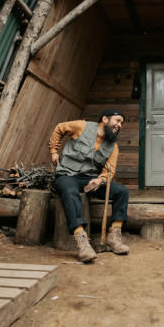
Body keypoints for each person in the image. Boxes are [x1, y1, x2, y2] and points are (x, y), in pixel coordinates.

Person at [49, 107, 130, 262]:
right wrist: (53, 150)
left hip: (90, 180)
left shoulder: (113, 147)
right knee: (70, 190)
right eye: (118, 120)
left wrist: (100, 180)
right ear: (105, 119)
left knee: (121, 191)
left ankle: (114, 237)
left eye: (122, 123)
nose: (120, 125)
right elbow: (59, 128)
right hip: (67, 175)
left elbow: (109, 171)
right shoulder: (82, 126)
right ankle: (82, 242)